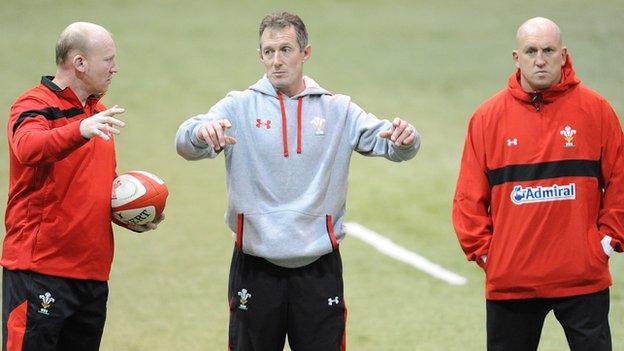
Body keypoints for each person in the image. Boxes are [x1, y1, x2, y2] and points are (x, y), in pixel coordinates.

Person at [176, 11, 420, 351]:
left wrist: (406, 139)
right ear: (260, 55)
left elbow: (392, 145)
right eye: (268, 51)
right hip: (255, 267)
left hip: (319, 269)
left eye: (286, 49)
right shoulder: (238, 107)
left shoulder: (338, 110)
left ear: (305, 53)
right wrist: (201, 133)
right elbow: (185, 142)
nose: (276, 61)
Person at [452, 17, 624, 351]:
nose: (540, 59)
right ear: (517, 57)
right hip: (513, 281)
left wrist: (607, 241)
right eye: (531, 51)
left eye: (548, 50)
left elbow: (620, 182)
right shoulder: (487, 118)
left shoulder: (596, 111)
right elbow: (467, 199)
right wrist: (489, 255)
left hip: (582, 277)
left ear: (563, 54)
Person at [2, 22, 161, 350]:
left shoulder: (98, 114)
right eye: (108, 60)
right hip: (40, 272)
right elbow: (27, 147)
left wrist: (129, 213)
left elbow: (90, 189)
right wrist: (79, 129)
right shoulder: (34, 104)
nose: (115, 67)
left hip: (91, 278)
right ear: (79, 63)